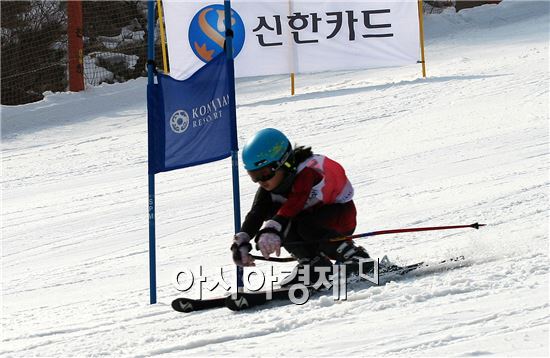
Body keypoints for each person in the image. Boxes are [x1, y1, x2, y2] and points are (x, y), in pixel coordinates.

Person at [231, 128, 372, 284]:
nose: (261, 181)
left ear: (283, 163)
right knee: (275, 214)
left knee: (301, 224)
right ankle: (314, 264)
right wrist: (241, 241)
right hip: (313, 221)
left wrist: (272, 228)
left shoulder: (307, 171)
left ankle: (355, 257)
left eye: (264, 173)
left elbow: (296, 200)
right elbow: (256, 215)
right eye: (254, 176)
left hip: (340, 217)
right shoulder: (268, 189)